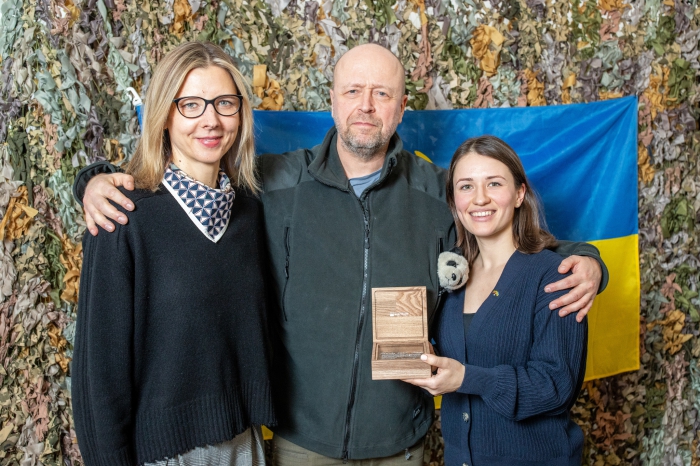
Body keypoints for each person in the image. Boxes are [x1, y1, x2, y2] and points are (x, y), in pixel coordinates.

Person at [72, 44, 606, 464]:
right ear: (332, 101)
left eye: (382, 93)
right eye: (353, 91)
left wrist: (587, 260)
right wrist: (94, 181)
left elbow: (498, 219)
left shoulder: (437, 193)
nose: (366, 106)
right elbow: (173, 193)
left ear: (402, 108)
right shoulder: (272, 186)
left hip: (400, 443)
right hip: (300, 443)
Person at [71, 42, 275, 466]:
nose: (211, 120)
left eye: (224, 103)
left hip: (246, 444)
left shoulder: (251, 212)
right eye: (191, 105)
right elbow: (99, 376)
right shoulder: (122, 217)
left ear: (241, 113)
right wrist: (92, 180)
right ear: (165, 115)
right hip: (167, 453)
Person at [405, 135, 588, 466]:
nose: (480, 198)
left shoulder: (555, 276)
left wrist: (466, 378)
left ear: (519, 194)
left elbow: (556, 386)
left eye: (494, 183)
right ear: (454, 201)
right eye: (466, 186)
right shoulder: (450, 277)